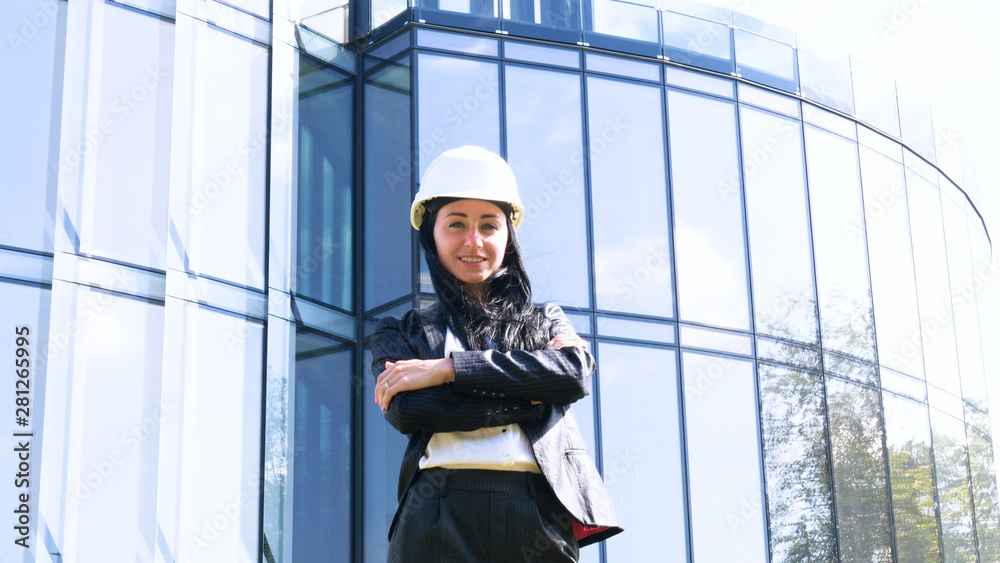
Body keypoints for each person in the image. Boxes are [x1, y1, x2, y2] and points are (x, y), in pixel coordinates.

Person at [371, 146, 622, 562]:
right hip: (434, 515)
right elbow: (410, 411)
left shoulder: (545, 319)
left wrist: (449, 369)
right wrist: (532, 395)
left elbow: (573, 373)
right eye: (456, 224)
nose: (474, 241)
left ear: (508, 236)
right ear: (431, 234)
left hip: (537, 515)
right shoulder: (398, 331)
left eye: (489, 225)